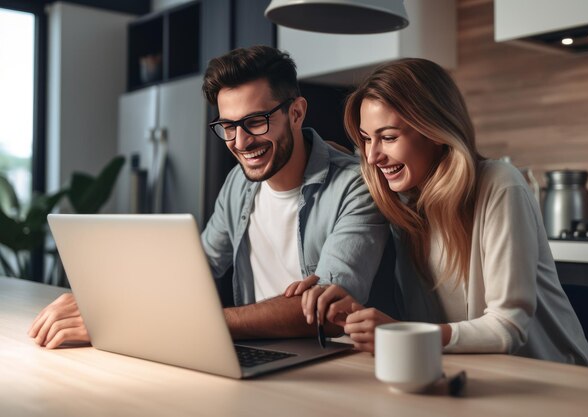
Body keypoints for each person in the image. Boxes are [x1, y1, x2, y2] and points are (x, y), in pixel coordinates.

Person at [28, 45, 395, 348]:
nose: (240, 142)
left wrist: (188, 324)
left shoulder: (357, 184)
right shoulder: (239, 183)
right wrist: (109, 306)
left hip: (335, 362)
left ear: (296, 113)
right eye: (227, 126)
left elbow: (329, 310)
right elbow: (198, 268)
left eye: (255, 122)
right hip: (259, 351)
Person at [286, 58, 588, 366]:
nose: (372, 155)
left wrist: (402, 333)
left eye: (388, 137)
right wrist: (346, 312)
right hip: (473, 378)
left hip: (553, 382)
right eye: (366, 139)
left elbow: (508, 328)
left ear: (434, 129)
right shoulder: (402, 204)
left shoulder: (500, 184)